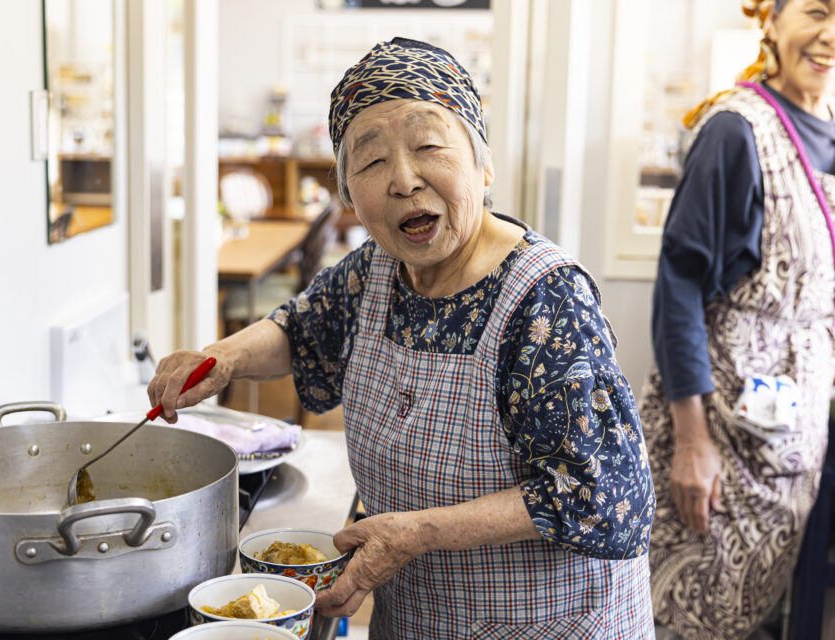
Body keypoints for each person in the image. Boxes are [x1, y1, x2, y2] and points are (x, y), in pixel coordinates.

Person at [150, 37, 655, 638]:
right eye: (370, 162)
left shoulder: (545, 302)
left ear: (483, 164)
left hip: (552, 623)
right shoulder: (376, 272)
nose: (404, 180)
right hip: (420, 618)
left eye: (428, 146)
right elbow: (300, 327)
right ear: (348, 197)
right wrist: (223, 358)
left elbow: (603, 495)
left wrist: (418, 532)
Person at [640, 1, 835, 638]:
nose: (830, 33)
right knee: (685, 619)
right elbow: (678, 286)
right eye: (816, 10)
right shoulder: (737, 131)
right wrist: (692, 442)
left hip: (786, 454)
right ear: (771, 19)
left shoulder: (828, 128)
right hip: (718, 450)